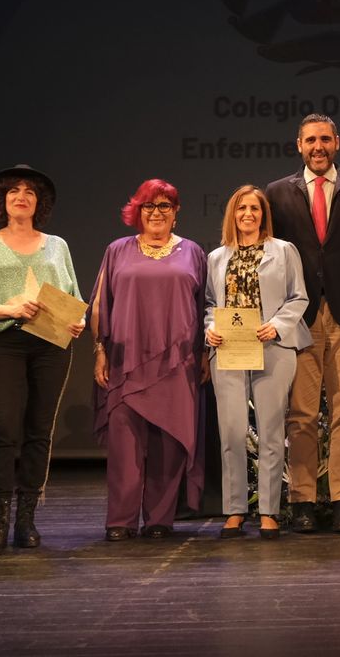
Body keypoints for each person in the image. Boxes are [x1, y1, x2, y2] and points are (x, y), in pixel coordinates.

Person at [264, 113, 340, 533]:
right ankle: (302, 501)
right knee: (301, 413)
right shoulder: (276, 194)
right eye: (311, 140)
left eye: (325, 140)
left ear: (337, 143)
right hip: (300, 317)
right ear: (299, 145)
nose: (318, 147)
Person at [0, 165, 85, 557]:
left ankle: (27, 518)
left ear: (39, 202)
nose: (21, 196)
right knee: (4, 429)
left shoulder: (57, 245)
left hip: (50, 344)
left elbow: (72, 293)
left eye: (30, 191)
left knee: (39, 430)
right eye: (13, 190)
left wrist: (77, 321)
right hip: (5, 343)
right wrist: (7, 310)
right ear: (3, 200)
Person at [91, 179, 207, 541]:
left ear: (176, 213)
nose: (156, 213)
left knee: (168, 443)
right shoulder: (117, 250)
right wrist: (99, 350)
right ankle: (121, 520)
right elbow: (100, 304)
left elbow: (206, 306)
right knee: (125, 444)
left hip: (179, 362)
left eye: (164, 206)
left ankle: (160, 518)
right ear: (136, 211)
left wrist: (205, 354)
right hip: (126, 360)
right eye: (149, 206)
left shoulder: (193, 252)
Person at [203, 185, 310, 539]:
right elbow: (208, 305)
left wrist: (275, 327)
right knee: (232, 431)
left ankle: (268, 510)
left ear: (264, 214)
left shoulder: (283, 251)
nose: (248, 214)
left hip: (272, 347)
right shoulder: (217, 257)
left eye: (255, 208)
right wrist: (210, 330)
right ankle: (235, 510)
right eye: (241, 208)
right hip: (230, 350)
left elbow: (298, 298)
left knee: (270, 431)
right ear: (232, 214)